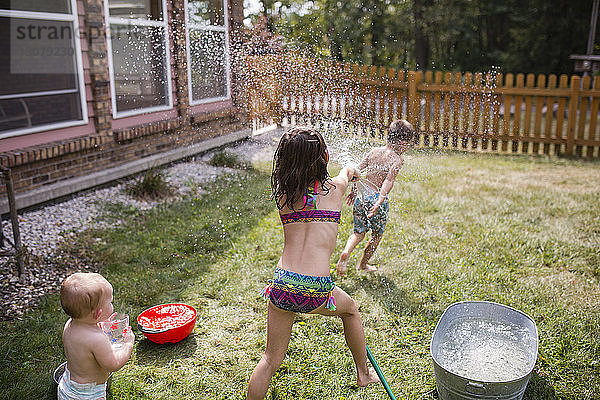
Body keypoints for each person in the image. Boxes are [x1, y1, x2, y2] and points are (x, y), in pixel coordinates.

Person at [246, 126, 379, 399]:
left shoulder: (284, 197)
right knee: (351, 310)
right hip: (316, 288)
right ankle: (363, 374)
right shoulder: (336, 188)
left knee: (270, 360)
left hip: (282, 284)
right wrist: (352, 170)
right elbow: (348, 173)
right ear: (325, 158)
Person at [336, 119, 415, 276]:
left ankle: (346, 252)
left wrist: (353, 190)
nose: (408, 148)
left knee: (358, 233)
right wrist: (380, 200)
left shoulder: (373, 151)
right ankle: (363, 264)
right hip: (376, 200)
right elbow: (388, 181)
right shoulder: (397, 159)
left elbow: (356, 172)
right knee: (376, 235)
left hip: (361, 197)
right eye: (409, 144)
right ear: (403, 142)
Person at [58, 272, 134, 400]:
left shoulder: (70, 325)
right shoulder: (97, 339)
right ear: (98, 314)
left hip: (67, 386)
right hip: (89, 394)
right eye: (110, 303)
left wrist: (101, 321)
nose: (112, 305)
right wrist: (128, 344)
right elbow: (113, 364)